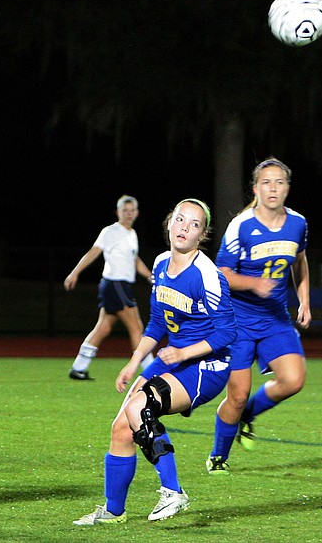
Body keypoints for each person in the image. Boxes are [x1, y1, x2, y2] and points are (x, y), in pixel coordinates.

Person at [74, 198, 236, 526]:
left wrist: (184, 353)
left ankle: (173, 491)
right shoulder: (161, 264)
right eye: (180, 219)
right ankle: (113, 511)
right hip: (171, 360)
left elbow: (227, 332)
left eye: (194, 224)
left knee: (138, 410)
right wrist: (134, 362)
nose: (184, 227)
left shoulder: (207, 274)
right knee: (121, 426)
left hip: (206, 366)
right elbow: (158, 324)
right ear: (169, 223)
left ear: (202, 234)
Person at [206, 157, 311, 474]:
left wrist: (304, 301)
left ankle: (248, 415)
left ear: (287, 188)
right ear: (255, 188)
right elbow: (221, 274)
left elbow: (300, 262)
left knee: (293, 380)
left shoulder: (297, 223)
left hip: (275, 319)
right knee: (235, 396)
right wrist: (254, 283)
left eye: (279, 182)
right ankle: (218, 457)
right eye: (266, 182)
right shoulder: (241, 226)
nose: (273, 188)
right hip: (237, 321)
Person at [64, 195, 154, 380]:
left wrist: (148, 275)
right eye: (125, 210)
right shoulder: (111, 231)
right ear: (118, 212)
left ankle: (78, 368)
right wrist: (74, 273)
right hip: (116, 284)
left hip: (116, 286)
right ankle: (152, 372)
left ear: (137, 213)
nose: (129, 214)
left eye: (132, 211)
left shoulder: (132, 234)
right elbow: (93, 252)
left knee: (103, 328)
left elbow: (134, 259)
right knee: (136, 327)